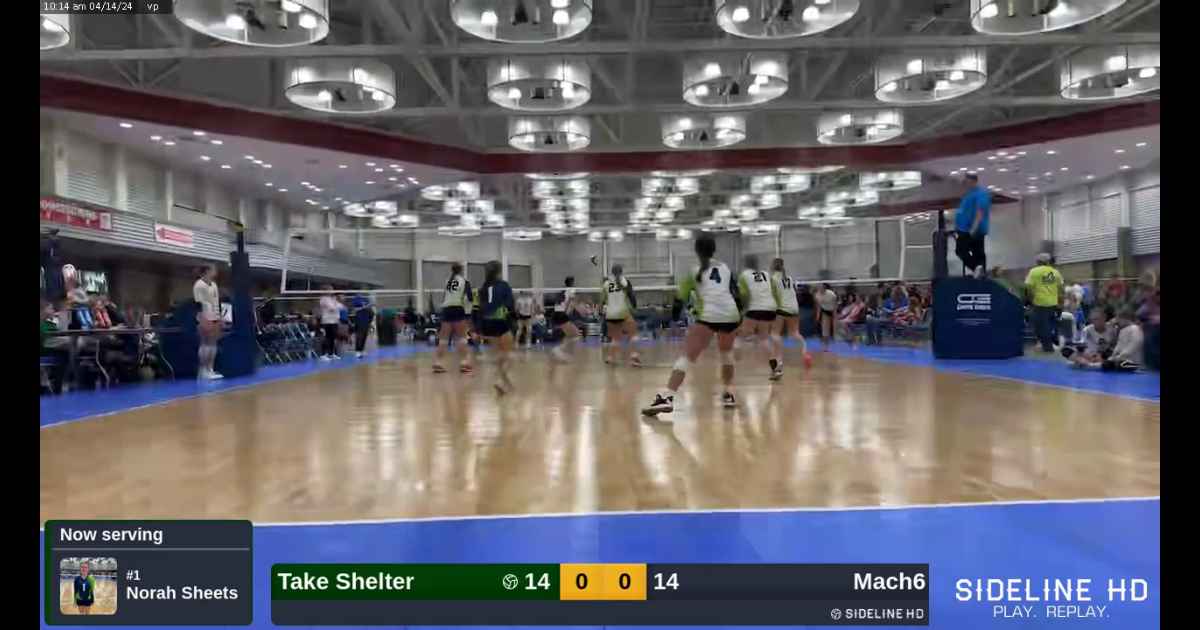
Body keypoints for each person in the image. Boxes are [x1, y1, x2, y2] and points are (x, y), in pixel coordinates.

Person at [643, 234, 741, 416]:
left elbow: (679, 301)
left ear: (696, 251)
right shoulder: (725, 268)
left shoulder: (694, 272)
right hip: (731, 315)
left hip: (709, 316)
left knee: (686, 357)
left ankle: (667, 397)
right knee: (726, 355)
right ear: (714, 250)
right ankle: (728, 393)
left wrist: (672, 318)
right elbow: (736, 294)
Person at [476, 260, 517, 395]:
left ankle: (505, 383)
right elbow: (510, 305)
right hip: (500, 321)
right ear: (499, 272)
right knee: (509, 355)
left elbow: (479, 307)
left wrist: (479, 328)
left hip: (487, 324)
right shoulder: (504, 285)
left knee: (499, 355)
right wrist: (513, 320)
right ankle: (500, 380)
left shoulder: (483, 287)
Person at [737, 255, 781, 380]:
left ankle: (731, 363)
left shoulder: (744, 275)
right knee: (764, 339)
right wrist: (776, 307)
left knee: (740, 335)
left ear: (746, 264)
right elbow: (774, 292)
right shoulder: (766, 274)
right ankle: (775, 370)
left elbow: (744, 295)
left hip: (755, 308)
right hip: (770, 308)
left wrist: (744, 309)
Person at [769, 258, 812, 371]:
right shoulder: (789, 278)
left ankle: (779, 360)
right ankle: (805, 353)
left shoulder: (773, 279)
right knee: (795, 333)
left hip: (782, 308)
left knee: (775, 334)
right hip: (794, 307)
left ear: (773, 266)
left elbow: (773, 296)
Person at [433, 263, 473, 374]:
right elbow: (469, 298)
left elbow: (445, 297)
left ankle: (438, 363)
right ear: (461, 270)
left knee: (443, 339)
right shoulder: (464, 281)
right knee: (462, 338)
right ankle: (464, 363)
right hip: (457, 309)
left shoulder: (448, 281)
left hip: (446, 310)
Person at [600, 264, 642, 367]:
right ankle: (634, 357)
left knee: (615, 338)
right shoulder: (625, 282)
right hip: (622, 312)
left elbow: (602, 300)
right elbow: (631, 296)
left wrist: (601, 311)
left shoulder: (606, 284)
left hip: (610, 314)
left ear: (612, 272)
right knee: (633, 334)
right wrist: (634, 307)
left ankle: (610, 357)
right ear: (621, 271)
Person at [953, 172, 992, 278]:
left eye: (967, 181)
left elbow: (980, 211)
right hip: (964, 229)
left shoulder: (981, 193)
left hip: (972, 229)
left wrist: (974, 228)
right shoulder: (968, 194)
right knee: (971, 251)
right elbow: (963, 211)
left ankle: (978, 269)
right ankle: (978, 270)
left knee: (967, 251)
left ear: (973, 181)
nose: (965, 183)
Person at [1024, 253, 1064, 353]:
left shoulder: (1034, 271)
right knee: (1049, 325)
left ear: (1038, 261)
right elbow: (1060, 288)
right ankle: (1049, 345)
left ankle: (1048, 348)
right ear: (1048, 261)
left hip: (1040, 303)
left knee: (1040, 326)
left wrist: (1030, 300)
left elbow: (1028, 287)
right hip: (1053, 303)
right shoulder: (1055, 272)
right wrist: (1060, 302)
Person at [193, 265, 224, 379]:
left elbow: (216, 301)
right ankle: (203, 370)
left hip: (214, 316)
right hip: (204, 316)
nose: (215, 272)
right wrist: (203, 318)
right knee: (205, 343)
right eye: (213, 270)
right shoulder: (199, 285)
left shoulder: (214, 285)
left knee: (213, 343)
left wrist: (219, 317)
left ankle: (210, 369)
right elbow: (198, 303)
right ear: (207, 271)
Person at [550, 276, 582, 363]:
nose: (574, 283)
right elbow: (570, 302)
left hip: (558, 313)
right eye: (573, 282)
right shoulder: (572, 290)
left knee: (570, 335)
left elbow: (560, 302)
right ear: (571, 283)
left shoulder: (563, 290)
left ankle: (564, 354)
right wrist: (567, 313)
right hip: (561, 314)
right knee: (576, 334)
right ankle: (558, 350)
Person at [317, 285, 344, 361]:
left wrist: (336, 304)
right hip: (327, 321)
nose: (332, 291)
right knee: (327, 338)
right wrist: (336, 305)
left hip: (334, 321)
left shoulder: (332, 299)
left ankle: (331, 354)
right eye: (330, 289)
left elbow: (341, 307)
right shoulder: (323, 299)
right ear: (325, 291)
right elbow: (332, 308)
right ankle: (323, 355)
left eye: (332, 289)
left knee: (333, 338)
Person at [350, 292, 374, 359]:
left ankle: (362, 350)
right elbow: (355, 310)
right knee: (359, 336)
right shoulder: (356, 299)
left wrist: (370, 320)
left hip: (366, 321)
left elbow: (370, 309)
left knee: (364, 336)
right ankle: (357, 351)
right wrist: (364, 307)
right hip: (359, 321)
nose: (360, 293)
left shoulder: (365, 299)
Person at [815, 283, 838, 352]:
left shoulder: (831, 294)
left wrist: (835, 315)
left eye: (821, 288)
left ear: (825, 288)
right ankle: (825, 346)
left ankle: (835, 338)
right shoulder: (817, 295)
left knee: (834, 328)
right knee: (825, 329)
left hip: (832, 310)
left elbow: (835, 305)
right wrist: (818, 315)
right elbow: (818, 306)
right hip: (825, 311)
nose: (820, 289)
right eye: (819, 288)